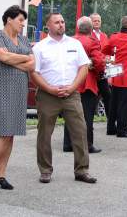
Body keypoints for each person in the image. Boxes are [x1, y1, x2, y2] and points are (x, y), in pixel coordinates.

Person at [31, 12, 97, 184]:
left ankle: (82, 170)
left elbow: (84, 67)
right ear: (48, 26)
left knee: (80, 131)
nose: (61, 24)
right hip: (48, 95)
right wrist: (50, 89)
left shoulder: (75, 44)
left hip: (72, 94)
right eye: (56, 22)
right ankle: (45, 170)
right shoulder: (39, 47)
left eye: (62, 21)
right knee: (44, 133)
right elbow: (34, 73)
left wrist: (73, 87)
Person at [0, 5, 35, 192]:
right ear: (9, 19)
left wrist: (14, 59)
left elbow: (32, 64)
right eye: (20, 20)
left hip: (19, 89)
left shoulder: (23, 39)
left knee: (10, 135)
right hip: (1, 89)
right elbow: (2, 56)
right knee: (4, 133)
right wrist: (23, 59)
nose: (22, 24)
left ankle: (1, 174)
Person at [63, 16, 106, 154]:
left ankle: (68, 143)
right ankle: (87, 144)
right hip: (87, 82)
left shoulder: (69, 41)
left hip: (71, 82)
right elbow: (99, 62)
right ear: (91, 29)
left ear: (78, 28)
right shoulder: (92, 41)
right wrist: (97, 68)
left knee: (70, 113)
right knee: (87, 115)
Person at [90, 13, 112, 124]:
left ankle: (111, 121)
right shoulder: (88, 35)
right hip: (92, 71)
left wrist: (107, 57)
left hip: (103, 70)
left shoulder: (104, 35)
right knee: (92, 96)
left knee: (107, 95)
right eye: (95, 20)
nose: (97, 22)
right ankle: (88, 120)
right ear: (90, 22)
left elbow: (107, 49)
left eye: (99, 20)